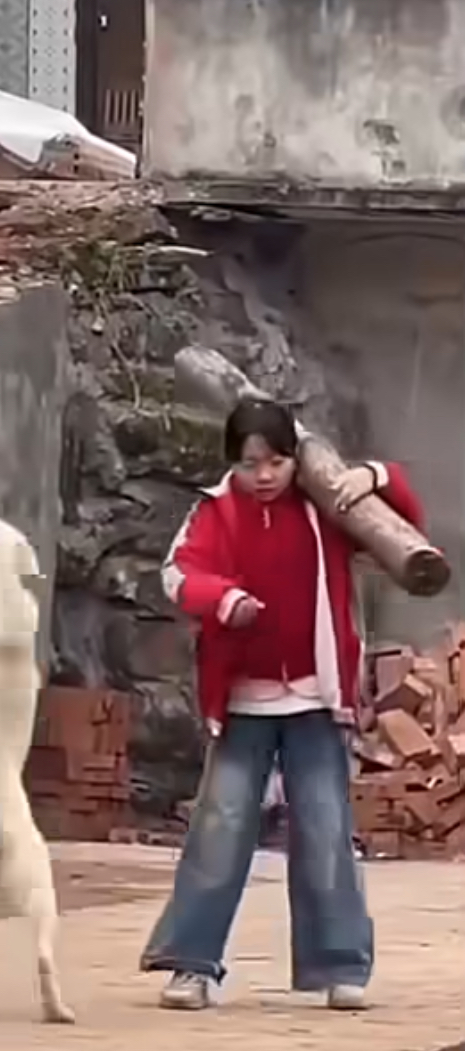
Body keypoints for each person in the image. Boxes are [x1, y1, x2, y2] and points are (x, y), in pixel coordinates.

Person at [140, 399, 424, 1013]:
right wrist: (224, 600)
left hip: (317, 702)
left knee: (326, 832)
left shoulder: (324, 510)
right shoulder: (215, 512)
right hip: (242, 705)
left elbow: (404, 520)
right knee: (219, 831)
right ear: (232, 465)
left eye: (276, 462)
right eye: (250, 464)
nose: (264, 475)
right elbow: (178, 574)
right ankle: (191, 965)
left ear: (296, 460)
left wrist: (374, 475)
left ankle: (340, 965)